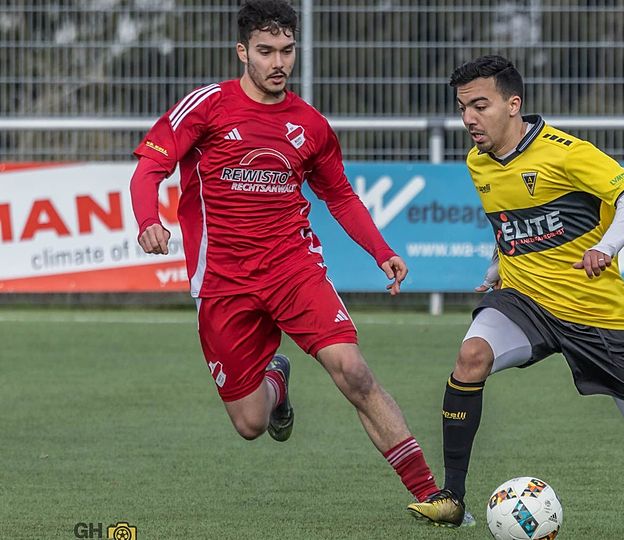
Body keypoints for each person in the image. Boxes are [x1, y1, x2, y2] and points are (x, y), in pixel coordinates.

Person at [406, 55, 624, 539]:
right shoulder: (479, 162)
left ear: (513, 105)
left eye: (480, 106)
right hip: (526, 302)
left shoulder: (567, 153)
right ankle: (451, 497)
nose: (469, 118)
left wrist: (605, 247)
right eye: (462, 108)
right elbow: (508, 223)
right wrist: (497, 266)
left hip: (597, 317)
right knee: (471, 357)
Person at [129, 0, 440, 506]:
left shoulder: (310, 125)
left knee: (353, 370)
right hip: (223, 281)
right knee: (250, 423)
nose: (279, 62)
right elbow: (148, 169)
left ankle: (431, 495)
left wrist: (380, 250)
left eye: (287, 50)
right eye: (266, 51)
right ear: (242, 52)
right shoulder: (207, 107)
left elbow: (340, 195)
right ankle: (276, 378)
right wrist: (148, 220)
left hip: (293, 268)